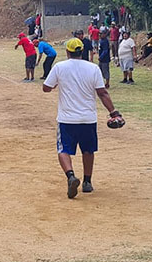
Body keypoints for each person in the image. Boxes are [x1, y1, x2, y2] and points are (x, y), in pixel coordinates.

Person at [43, 38, 122, 199]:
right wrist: (113, 112)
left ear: (68, 52)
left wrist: (56, 84)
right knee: (88, 150)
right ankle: (87, 182)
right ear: (82, 51)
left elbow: (46, 88)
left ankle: (71, 176)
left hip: (67, 118)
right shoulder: (93, 68)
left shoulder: (60, 67)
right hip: (88, 118)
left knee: (64, 150)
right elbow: (102, 93)